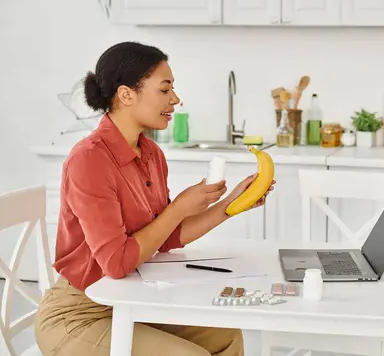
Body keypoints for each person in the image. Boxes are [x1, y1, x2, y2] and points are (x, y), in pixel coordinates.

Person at [34, 41, 274, 356]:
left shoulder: (151, 153)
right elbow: (117, 263)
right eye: (164, 90)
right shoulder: (89, 160)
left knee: (227, 336)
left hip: (128, 300)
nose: (175, 99)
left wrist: (228, 206)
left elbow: (166, 235)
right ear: (126, 95)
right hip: (80, 313)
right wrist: (177, 209)